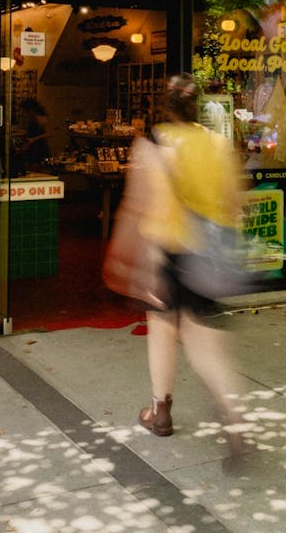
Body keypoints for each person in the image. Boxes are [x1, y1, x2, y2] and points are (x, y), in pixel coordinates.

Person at [109, 73, 251, 471]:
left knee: (162, 328)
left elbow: (136, 206)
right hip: (205, 253)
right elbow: (234, 199)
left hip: (166, 252)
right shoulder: (217, 144)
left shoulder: (153, 143)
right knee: (205, 342)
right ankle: (234, 419)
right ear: (198, 105)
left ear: (163, 104)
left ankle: (161, 412)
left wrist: (122, 257)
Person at [20, 98, 50, 170]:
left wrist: (33, 140)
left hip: (39, 149)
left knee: (36, 169)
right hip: (33, 148)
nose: (24, 113)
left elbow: (48, 134)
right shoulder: (31, 119)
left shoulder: (40, 119)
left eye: (25, 111)